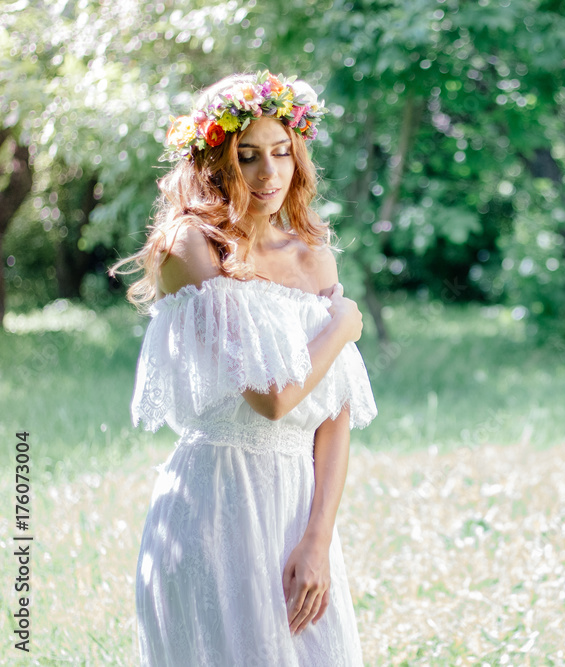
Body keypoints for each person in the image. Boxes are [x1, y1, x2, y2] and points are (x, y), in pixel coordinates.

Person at [108, 70, 376, 666]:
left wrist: (318, 540)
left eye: (282, 152)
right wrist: (342, 326)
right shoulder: (191, 247)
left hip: (296, 506)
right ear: (213, 162)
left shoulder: (313, 252)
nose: (267, 173)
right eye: (246, 155)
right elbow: (270, 398)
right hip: (214, 504)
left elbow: (333, 415)